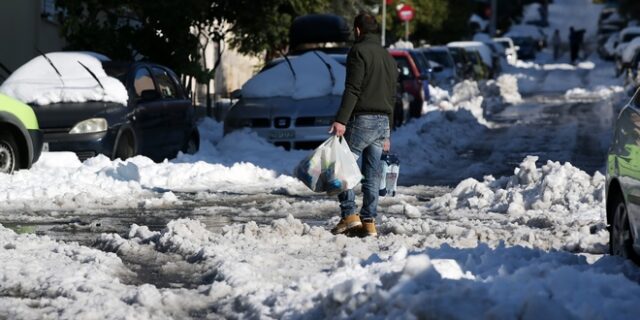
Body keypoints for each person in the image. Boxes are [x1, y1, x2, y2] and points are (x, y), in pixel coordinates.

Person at [328, 12, 398, 237]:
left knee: (342, 167)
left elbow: (353, 88)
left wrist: (341, 119)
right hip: (382, 123)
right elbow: (393, 95)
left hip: (362, 120)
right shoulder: (388, 57)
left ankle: (349, 215)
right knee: (373, 174)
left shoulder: (358, 52)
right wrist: (389, 130)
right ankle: (369, 221)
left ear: (358, 30)